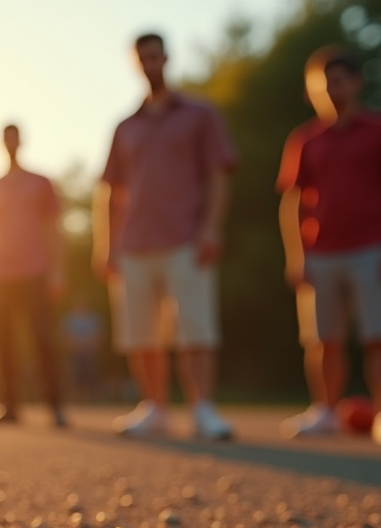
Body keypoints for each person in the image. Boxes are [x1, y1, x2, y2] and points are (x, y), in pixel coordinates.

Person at [93, 32, 238, 440]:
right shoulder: (124, 126)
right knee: (141, 334)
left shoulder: (200, 114)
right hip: (134, 243)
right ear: (134, 64)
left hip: (186, 237)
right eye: (142, 59)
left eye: (155, 56)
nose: (149, 64)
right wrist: (106, 245)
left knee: (196, 328)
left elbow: (218, 175)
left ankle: (202, 408)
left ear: (166, 59)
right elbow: (109, 190)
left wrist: (211, 228)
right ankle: (155, 407)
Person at [277, 47, 381, 445]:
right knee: (323, 339)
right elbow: (292, 201)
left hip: (373, 248)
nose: (331, 90)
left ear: (356, 82)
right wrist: (296, 255)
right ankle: (324, 410)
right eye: (322, 84)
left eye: (338, 81)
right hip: (320, 252)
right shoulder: (304, 139)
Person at [0, 124, 66, 427]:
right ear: (2, 144)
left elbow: (53, 229)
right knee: (2, 344)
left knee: (42, 340)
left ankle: (55, 406)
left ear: (21, 142)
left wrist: (57, 271)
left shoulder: (40, 183)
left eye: (15, 138)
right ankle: (9, 405)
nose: (11, 144)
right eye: (6, 139)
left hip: (35, 271)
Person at [62, 297, 104, 401]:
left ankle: (92, 396)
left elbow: (99, 335)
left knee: (91, 373)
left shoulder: (93, 318)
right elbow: (66, 336)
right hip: (75, 352)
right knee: (75, 374)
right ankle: (77, 396)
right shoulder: (69, 318)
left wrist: (89, 344)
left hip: (90, 351)